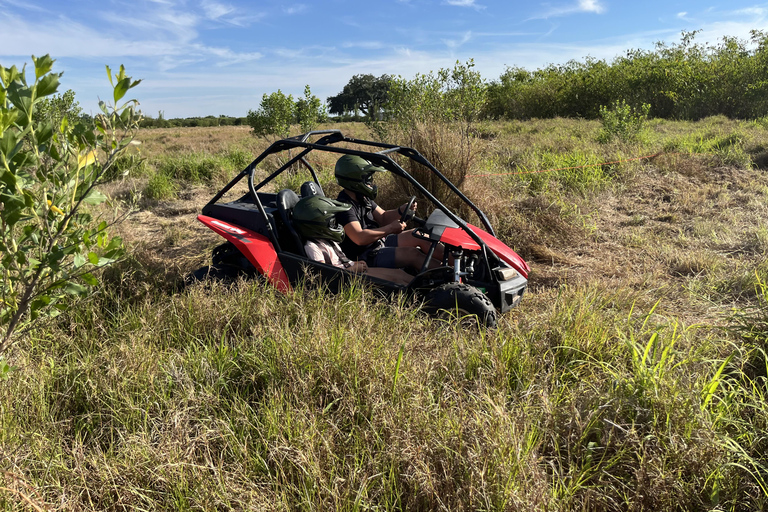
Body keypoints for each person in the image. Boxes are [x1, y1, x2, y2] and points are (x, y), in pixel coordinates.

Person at [333, 154, 443, 271]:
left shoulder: (362, 198)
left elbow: (383, 217)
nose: (371, 183)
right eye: (368, 178)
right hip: (365, 256)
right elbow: (360, 237)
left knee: (420, 236)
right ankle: (451, 277)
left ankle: (459, 265)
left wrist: (401, 210)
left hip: (377, 243)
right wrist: (390, 229)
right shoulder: (344, 207)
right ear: (355, 179)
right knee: (412, 254)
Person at [292, 195, 413, 286]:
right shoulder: (312, 247)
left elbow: (341, 259)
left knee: (399, 274)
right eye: (332, 221)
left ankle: (426, 288)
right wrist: (354, 269)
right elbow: (324, 276)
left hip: (355, 270)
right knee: (396, 280)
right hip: (348, 278)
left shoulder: (329, 240)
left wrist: (356, 264)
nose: (335, 224)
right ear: (317, 225)